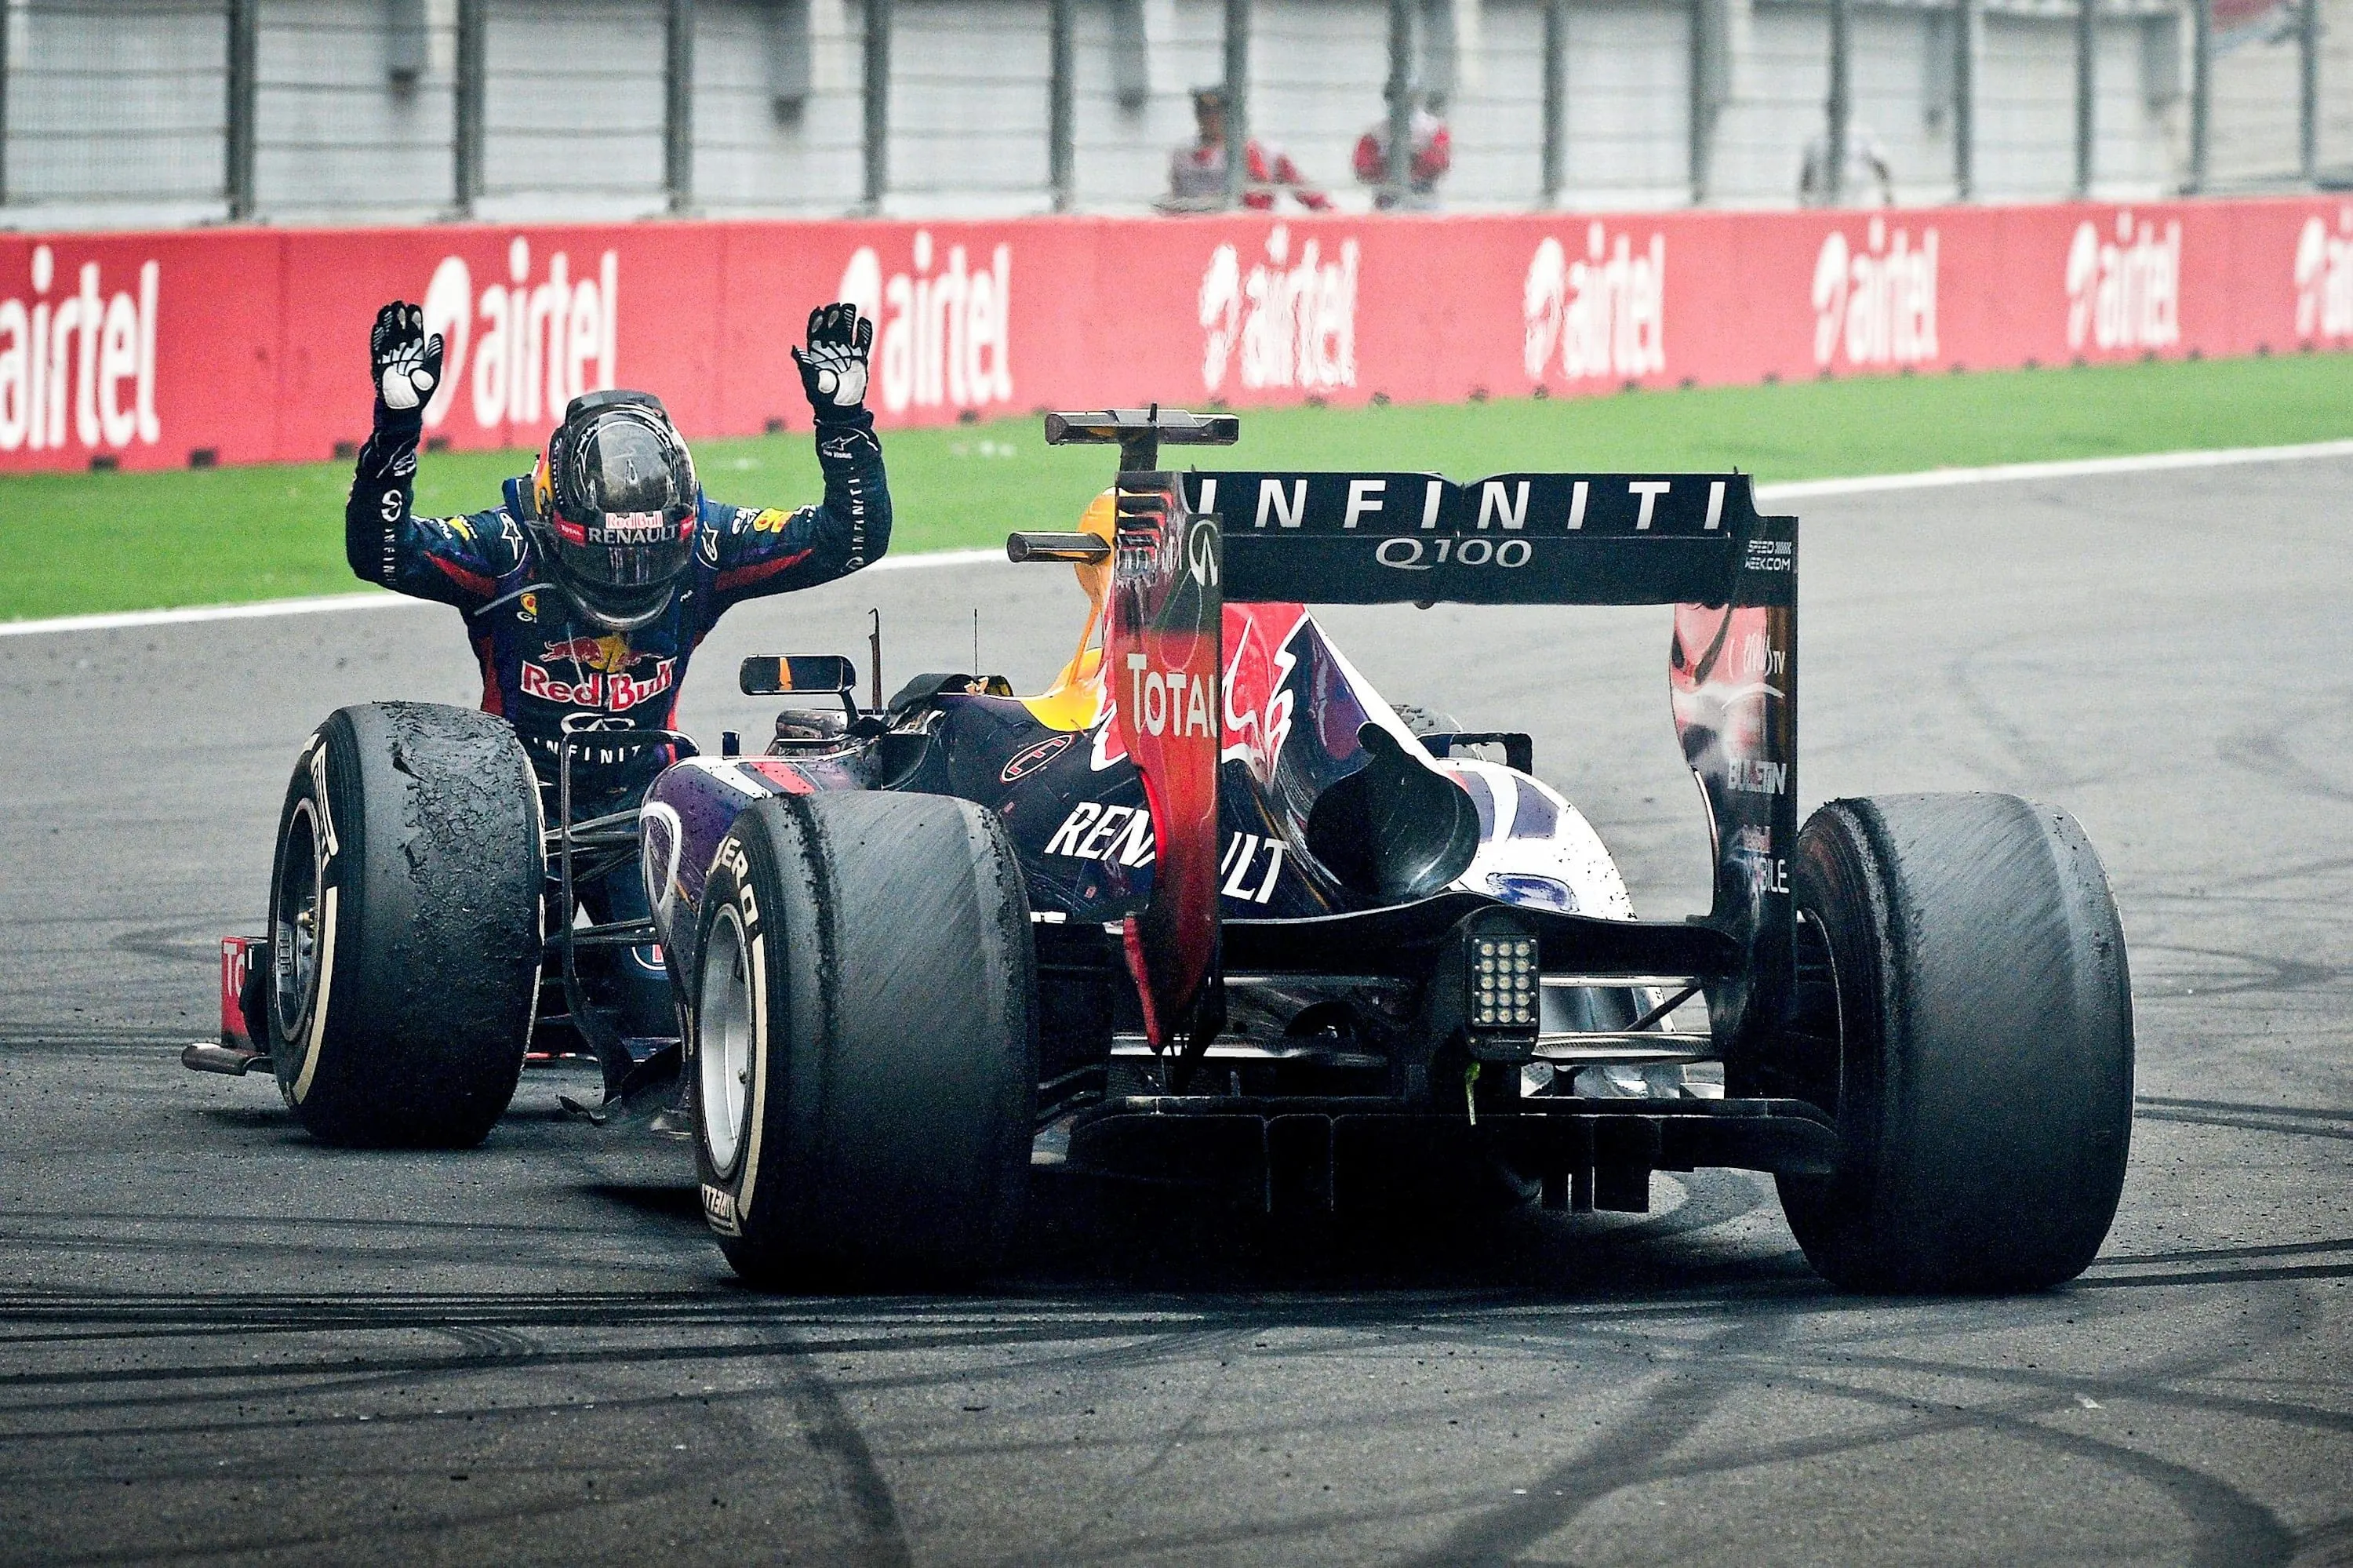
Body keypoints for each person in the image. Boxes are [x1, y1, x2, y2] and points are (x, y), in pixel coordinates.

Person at [344, 299, 888, 1039]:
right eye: (608, 557)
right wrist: (397, 426)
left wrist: (844, 420)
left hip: (642, 810)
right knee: (467, 1008)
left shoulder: (708, 545)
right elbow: (382, 553)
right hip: (513, 810)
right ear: (554, 519)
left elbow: (849, 540)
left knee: (667, 1009)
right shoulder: (507, 548)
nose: (626, 576)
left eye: (645, 556)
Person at [1164, 85, 1330, 213]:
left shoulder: (1265, 153)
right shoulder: (1183, 154)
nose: (1210, 118)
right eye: (1203, 111)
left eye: (1217, 111)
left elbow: (1310, 195)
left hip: (1250, 230)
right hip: (1198, 230)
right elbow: (1176, 199)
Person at [1351, 93, 1453, 210]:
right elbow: (1364, 169)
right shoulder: (1376, 133)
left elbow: (1438, 163)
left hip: (1423, 197)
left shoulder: (1432, 129)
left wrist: (1415, 158)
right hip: (1387, 199)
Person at [1799, 124, 1895, 207]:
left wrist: (1887, 193)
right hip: (1823, 205)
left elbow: (1880, 165)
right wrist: (1805, 201)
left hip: (1857, 202)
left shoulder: (1861, 137)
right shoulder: (1817, 140)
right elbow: (1806, 176)